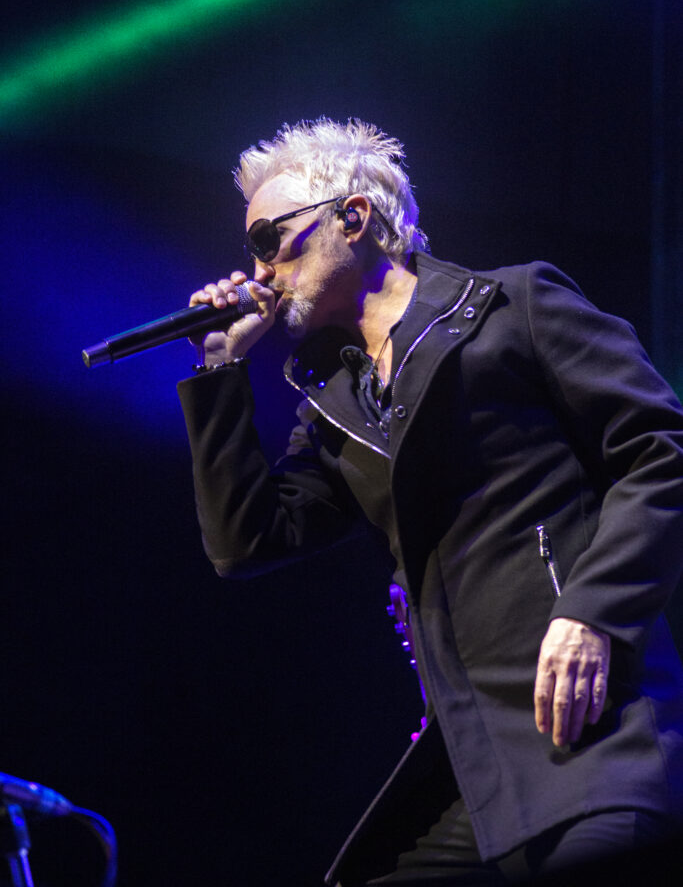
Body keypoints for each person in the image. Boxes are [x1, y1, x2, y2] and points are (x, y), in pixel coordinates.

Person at [177, 118, 683, 884]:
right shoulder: (336, 408)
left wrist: (592, 612)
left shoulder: (514, 307)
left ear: (352, 218)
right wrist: (219, 369)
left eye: (267, 239)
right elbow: (247, 543)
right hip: (476, 764)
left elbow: (662, 452)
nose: (259, 270)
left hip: (592, 733)